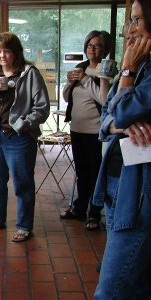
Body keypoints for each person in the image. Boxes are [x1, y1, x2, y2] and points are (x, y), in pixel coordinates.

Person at [92, 0, 151, 298]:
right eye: (130, 21)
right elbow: (106, 119)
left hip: (139, 194)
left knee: (110, 291)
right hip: (116, 181)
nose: (130, 30)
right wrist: (120, 123)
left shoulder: (137, 69)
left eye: (138, 20)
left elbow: (122, 111)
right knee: (136, 283)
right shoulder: (139, 70)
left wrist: (126, 68)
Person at [0, 32, 50, 242]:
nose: (2, 56)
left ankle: (24, 226)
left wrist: (24, 125)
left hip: (19, 138)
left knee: (22, 183)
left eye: (7, 51)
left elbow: (42, 108)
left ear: (16, 53)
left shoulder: (29, 73)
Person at [60, 30, 112, 231]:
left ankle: (94, 213)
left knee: (96, 173)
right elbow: (66, 97)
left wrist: (85, 80)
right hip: (77, 128)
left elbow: (104, 99)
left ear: (105, 48)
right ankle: (80, 208)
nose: (92, 49)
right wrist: (71, 81)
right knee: (81, 172)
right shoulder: (80, 67)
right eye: (90, 45)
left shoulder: (106, 69)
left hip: (96, 131)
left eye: (97, 45)